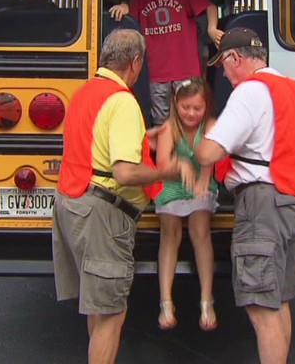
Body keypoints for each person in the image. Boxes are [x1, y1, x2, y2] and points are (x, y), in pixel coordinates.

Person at [52, 29, 189, 364]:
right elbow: (125, 172)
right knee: (112, 315)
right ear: (136, 62)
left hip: (73, 203)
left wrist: (144, 138)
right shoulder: (123, 101)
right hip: (102, 216)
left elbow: (95, 144)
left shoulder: (86, 92)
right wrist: (167, 170)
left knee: (99, 311)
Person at [194, 27, 295, 364]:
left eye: (223, 65)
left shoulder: (249, 92)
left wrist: (209, 130)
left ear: (236, 58)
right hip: (294, 201)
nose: (223, 73)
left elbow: (208, 153)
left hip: (263, 205)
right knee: (280, 300)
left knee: (261, 308)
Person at [116, 0, 223, 125]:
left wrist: (212, 28)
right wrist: (125, 7)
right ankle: (165, 153)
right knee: (161, 120)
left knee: (191, 116)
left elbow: (210, 7)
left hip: (186, 69)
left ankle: (188, 152)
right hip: (156, 72)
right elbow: (131, 20)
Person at [153, 78, 220, 332]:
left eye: (197, 108)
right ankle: (166, 302)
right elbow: (161, 166)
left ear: (206, 108)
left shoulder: (211, 125)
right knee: (169, 231)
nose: (191, 113)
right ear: (175, 105)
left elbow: (209, 161)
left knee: (200, 228)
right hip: (172, 184)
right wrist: (179, 164)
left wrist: (203, 179)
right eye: (185, 108)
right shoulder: (169, 128)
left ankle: (206, 300)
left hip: (201, 183)